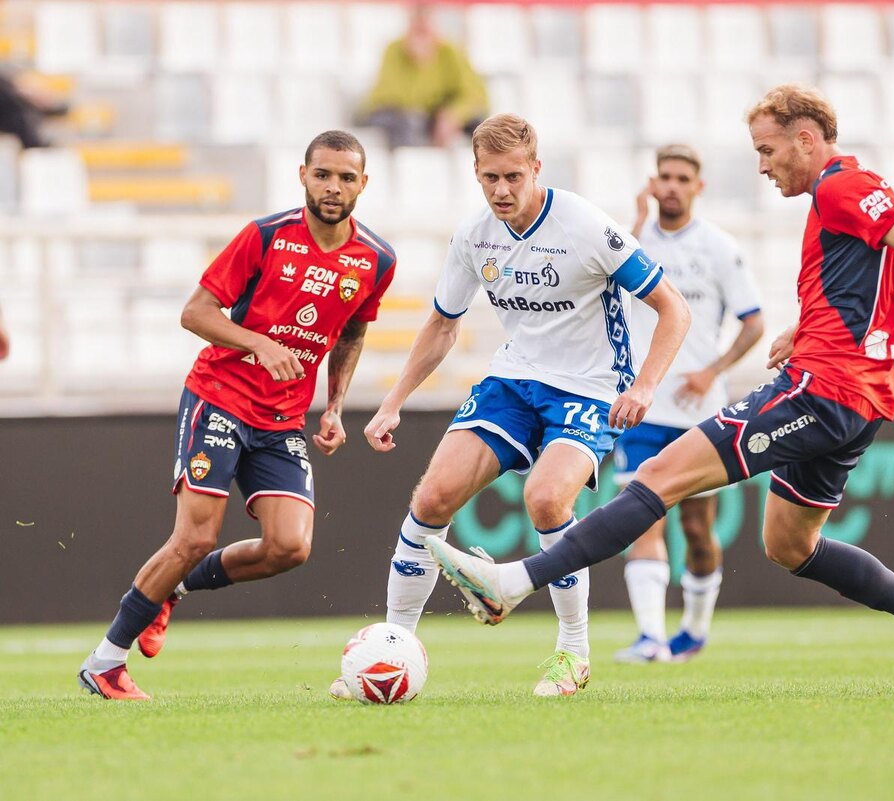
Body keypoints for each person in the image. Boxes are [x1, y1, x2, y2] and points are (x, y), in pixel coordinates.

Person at [427, 85, 894, 695]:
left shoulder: (843, 186)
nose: (764, 167)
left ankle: (512, 581)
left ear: (805, 137)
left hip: (824, 389)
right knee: (789, 544)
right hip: (862, 393)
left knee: (660, 474)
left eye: (767, 150)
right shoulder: (839, 199)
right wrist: (809, 325)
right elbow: (870, 274)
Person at [329, 112, 689, 699]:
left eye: (513, 177)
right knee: (432, 496)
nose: (501, 190)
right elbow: (443, 325)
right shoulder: (474, 235)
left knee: (546, 498)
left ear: (536, 169)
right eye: (490, 178)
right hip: (515, 379)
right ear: (475, 173)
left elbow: (673, 307)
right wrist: (394, 401)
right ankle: (391, 650)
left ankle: (573, 651)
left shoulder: (584, 226)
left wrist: (644, 386)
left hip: (592, 386)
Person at [78, 131, 396, 700]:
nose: (333, 187)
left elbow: (352, 330)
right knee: (195, 537)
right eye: (323, 174)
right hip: (219, 396)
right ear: (303, 175)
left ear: (363, 185)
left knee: (290, 547)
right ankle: (104, 663)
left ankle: (172, 591)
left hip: (282, 420)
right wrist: (258, 343)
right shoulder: (265, 235)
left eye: (347, 177)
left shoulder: (376, 259)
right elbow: (195, 313)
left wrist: (336, 405)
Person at [613, 144, 763, 664]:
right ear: (652, 184)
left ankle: (693, 631)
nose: (672, 186)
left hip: (700, 413)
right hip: (642, 405)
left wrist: (713, 371)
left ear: (698, 187)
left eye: (682, 178)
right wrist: (633, 222)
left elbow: (754, 322)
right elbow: (601, 293)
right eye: (664, 177)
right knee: (641, 520)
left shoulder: (718, 247)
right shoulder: (629, 244)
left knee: (698, 529)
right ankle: (651, 638)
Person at [356, 4, 488, 148]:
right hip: (390, 114)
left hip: (432, 113)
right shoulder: (394, 50)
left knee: (479, 125)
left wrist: (452, 115)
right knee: (408, 122)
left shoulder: (450, 51)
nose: (422, 33)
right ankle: (408, 164)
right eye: (417, 27)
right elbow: (391, 98)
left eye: (426, 27)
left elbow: (474, 94)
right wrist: (421, 63)